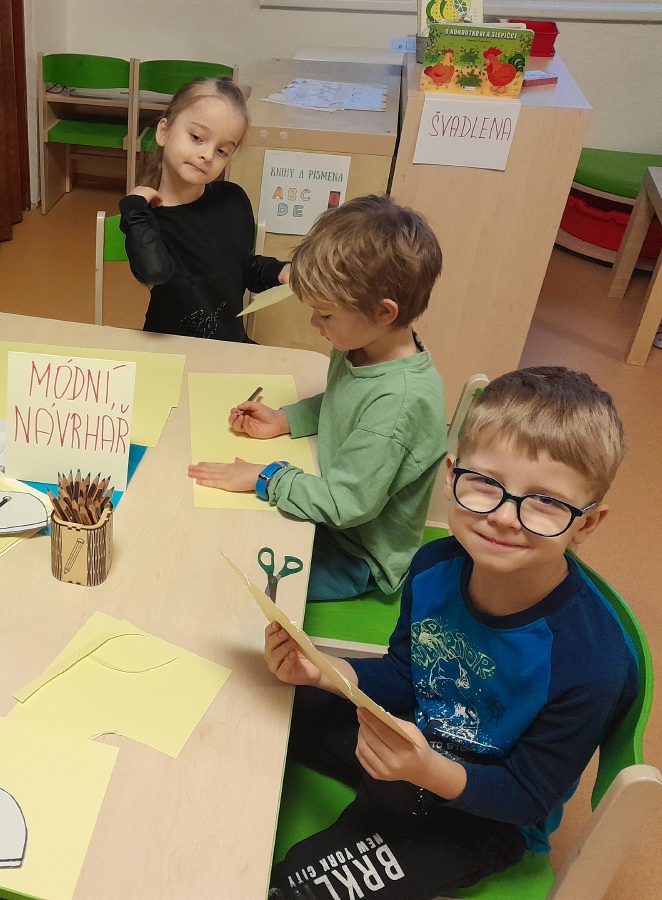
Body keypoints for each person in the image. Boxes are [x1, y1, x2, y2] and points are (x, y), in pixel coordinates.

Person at [264, 367, 639, 899]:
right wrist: (325, 671)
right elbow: (405, 673)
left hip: (481, 816)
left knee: (299, 889)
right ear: (451, 475)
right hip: (411, 738)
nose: (505, 517)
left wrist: (428, 771)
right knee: (265, 708)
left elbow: (527, 796)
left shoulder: (592, 663)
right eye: (485, 483)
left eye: (546, 502)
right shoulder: (434, 567)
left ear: (587, 523)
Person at [188, 195, 446, 600]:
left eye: (325, 314)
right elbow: (344, 401)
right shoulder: (362, 344)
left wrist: (264, 476)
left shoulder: (399, 403)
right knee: (212, 534)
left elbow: (345, 504)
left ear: (384, 313)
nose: (314, 323)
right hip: (327, 507)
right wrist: (286, 419)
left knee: (222, 582)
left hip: (355, 553)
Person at [119, 76, 289, 341]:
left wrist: (280, 271)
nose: (207, 155)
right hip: (171, 351)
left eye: (222, 151)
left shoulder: (232, 199)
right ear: (163, 131)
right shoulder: (146, 218)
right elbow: (155, 271)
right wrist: (133, 207)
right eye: (197, 137)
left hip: (229, 348)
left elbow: (242, 269)